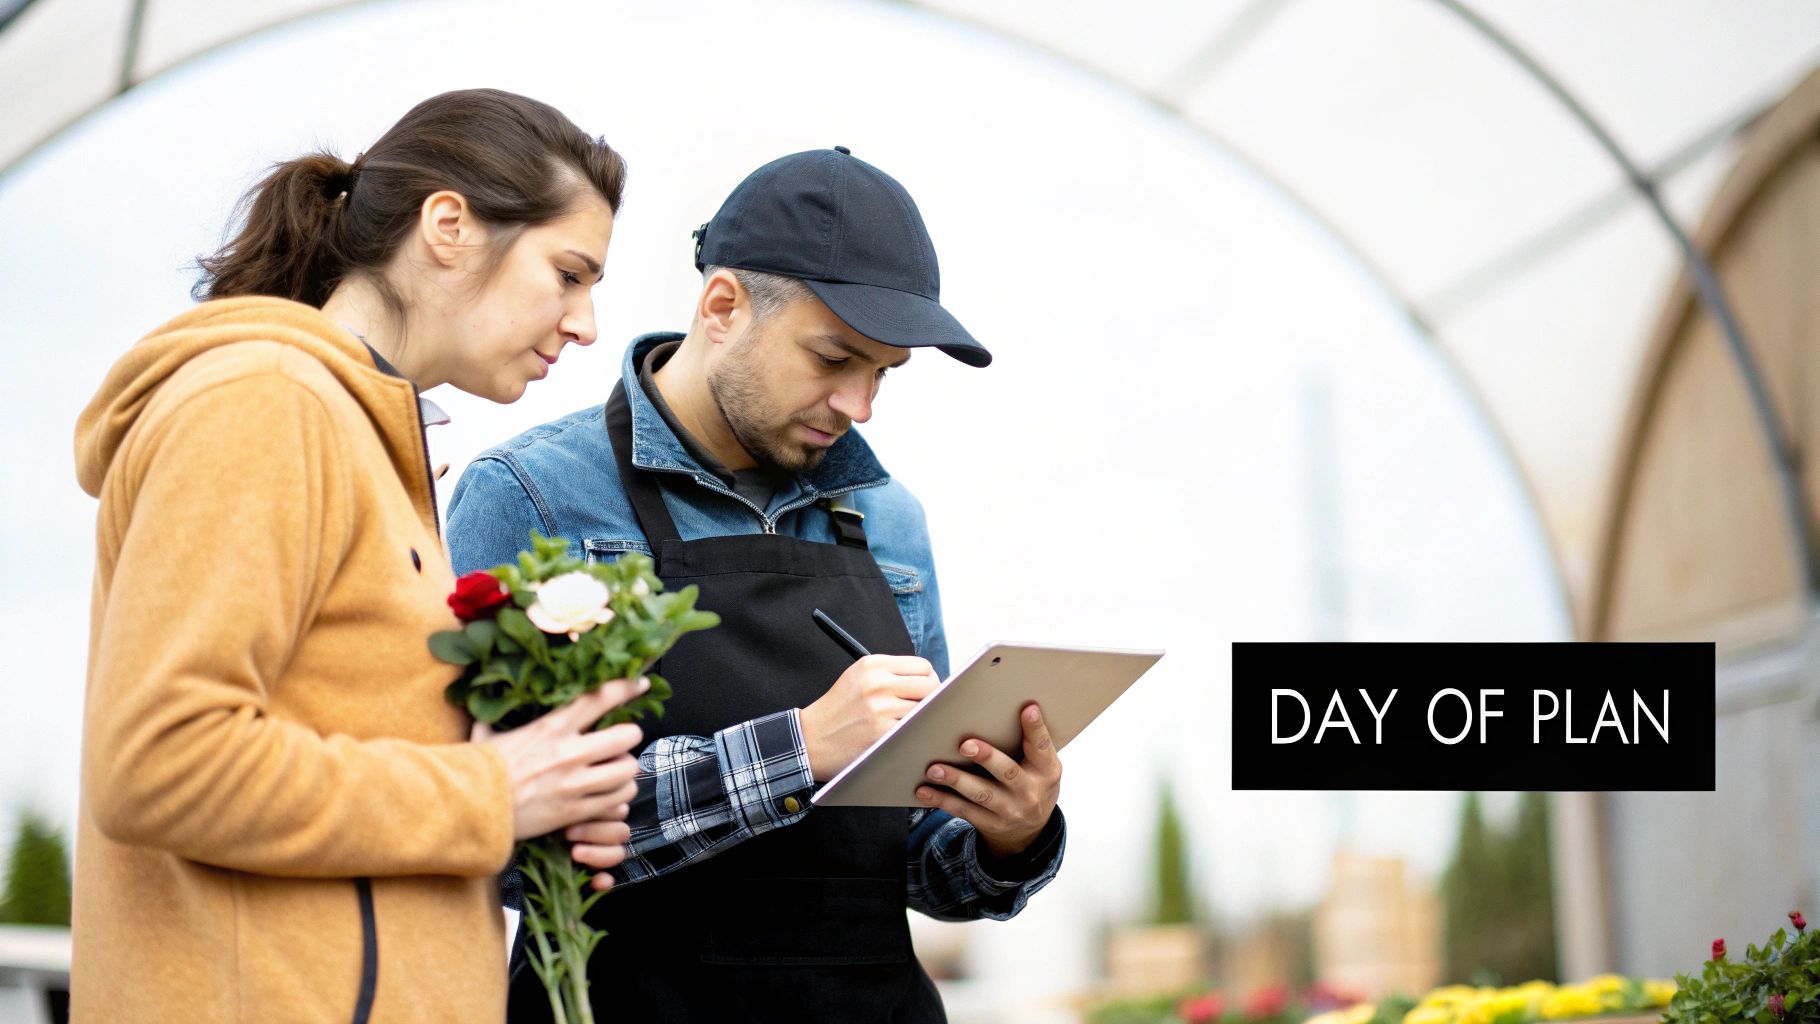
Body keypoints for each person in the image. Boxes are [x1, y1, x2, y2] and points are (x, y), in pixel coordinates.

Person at [447, 147, 1067, 1022]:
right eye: (832, 358)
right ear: (724, 307)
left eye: (884, 372)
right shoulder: (533, 495)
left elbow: (923, 858)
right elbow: (503, 840)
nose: (860, 405)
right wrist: (799, 747)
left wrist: (1010, 834)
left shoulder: (891, 523)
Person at [71, 89, 646, 1024]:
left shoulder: (355, 429)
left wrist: (524, 789)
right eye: (569, 273)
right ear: (448, 226)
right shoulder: (265, 402)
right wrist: (487, 792)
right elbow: (159, 762)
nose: (585, 324)